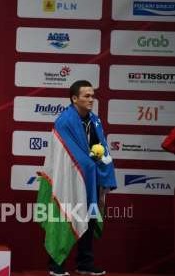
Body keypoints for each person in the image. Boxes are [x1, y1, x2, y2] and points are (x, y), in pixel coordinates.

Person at [37, 80, 116, 276]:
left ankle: (84, 263)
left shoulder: (94, 120)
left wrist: (102, 166)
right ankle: (56, 265)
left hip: (89, 179)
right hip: (68, 180)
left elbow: (102, 149)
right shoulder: (64, 121)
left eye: (92, 95)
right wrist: (90, 163)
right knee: (63, 217)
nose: (91, 99)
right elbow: (68, 153)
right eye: (86, 96)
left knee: (88, 217)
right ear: (74, 98)